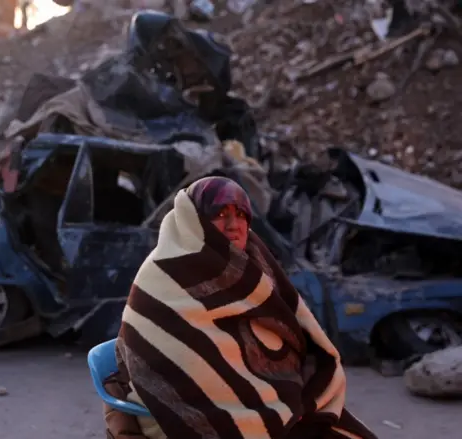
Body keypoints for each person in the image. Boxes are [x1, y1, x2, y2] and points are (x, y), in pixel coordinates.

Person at [104, 176, 377, 439]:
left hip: (258, 395)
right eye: (221, 214)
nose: (234, 225)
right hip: (177, 413)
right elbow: (182, 366)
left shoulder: (249, 265)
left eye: (242, 215)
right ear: (194, 221)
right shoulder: (163, 275)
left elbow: (287, 326)